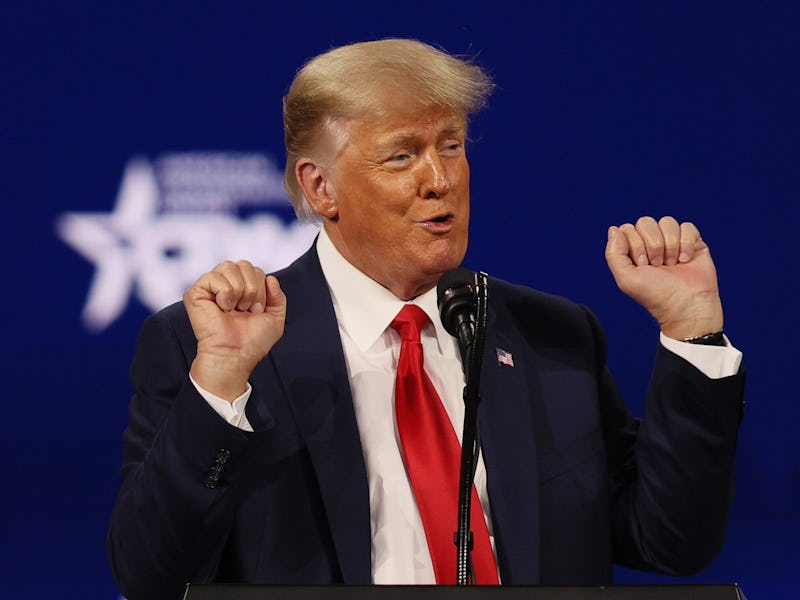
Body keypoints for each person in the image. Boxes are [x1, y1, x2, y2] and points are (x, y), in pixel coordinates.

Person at [108, 39, 745, 600]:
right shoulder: (221, 348)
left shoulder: (551, 334)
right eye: (401, 156)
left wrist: (693, 330)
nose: (439, 179)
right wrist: (221, 383)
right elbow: (152, 577)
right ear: (321, 188)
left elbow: (671, 541)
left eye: (452, 147)